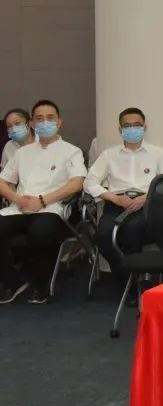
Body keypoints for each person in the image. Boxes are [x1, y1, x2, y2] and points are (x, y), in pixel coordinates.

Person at [0, 100, 87, 303]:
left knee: (41, 232)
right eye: (39, 119)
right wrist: (17, 199)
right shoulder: (21, 153)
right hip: (19, 208)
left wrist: (42, 200)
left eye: (50, 118)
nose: (45, 122)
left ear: (59, 122)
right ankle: (12, 281)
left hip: (51, 208)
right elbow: (2, 181)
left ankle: (40, 284)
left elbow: (77, 183)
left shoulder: (71, 151)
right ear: (32, 124)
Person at [84, 107, 163, 293]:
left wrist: (146, 199)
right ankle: (127, 280)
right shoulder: (109, 154)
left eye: (137, 125)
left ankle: (136, 283)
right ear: (120, 129)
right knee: (103, 237)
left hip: (147, 204)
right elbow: (89, 182)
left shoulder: (158, 153)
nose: (132, 128)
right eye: (127, 125)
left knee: (131, 232)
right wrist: (114, 198)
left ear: (144, 127)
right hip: (117, 203)